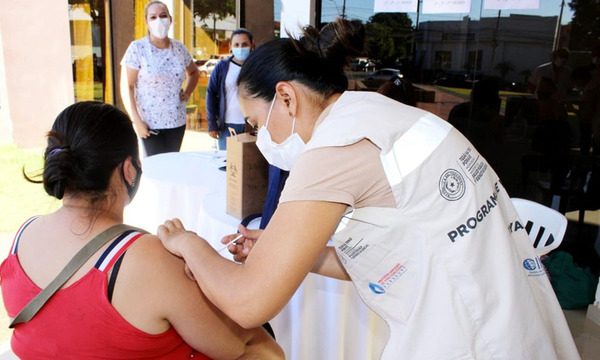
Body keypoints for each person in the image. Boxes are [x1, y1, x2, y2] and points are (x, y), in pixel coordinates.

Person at [157, 18, 580, 359]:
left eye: (255, 124)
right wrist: (293, 252)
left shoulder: (331, 152)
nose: (259, 138)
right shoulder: (380, 114)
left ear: (286, 98)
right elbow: (398, 251)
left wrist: (188, 242)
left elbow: (249, 303)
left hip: (471, 338)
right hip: (520, 325)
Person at [0, 101, 283, 360]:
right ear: (129, 169)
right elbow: (241, 346)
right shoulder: (144, 258)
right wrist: (194, 252)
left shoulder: (23, 235)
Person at [120, 1, 199, 157]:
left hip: (176, 122)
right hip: (149, 124)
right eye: (153, 17)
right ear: (146, 22)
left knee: (171, 166)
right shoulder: (137, 49)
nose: (159, 20)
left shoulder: (179, 48)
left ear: (170, 19)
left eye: (163, 16)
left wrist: (187, 93)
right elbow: (126, 86)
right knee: (154, 169)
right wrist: (136, 121)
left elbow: (194, 73)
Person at [206, 29, 254, 150]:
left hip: (252, 125)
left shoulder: (257, 67)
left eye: (244, 44)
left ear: (252, 45)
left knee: (251, 164)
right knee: (228, 163)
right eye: (236, 45)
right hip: (227, 125)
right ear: (230, 46)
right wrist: (212, 123)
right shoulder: (222, 67)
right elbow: (211, 94)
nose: (240, 48)